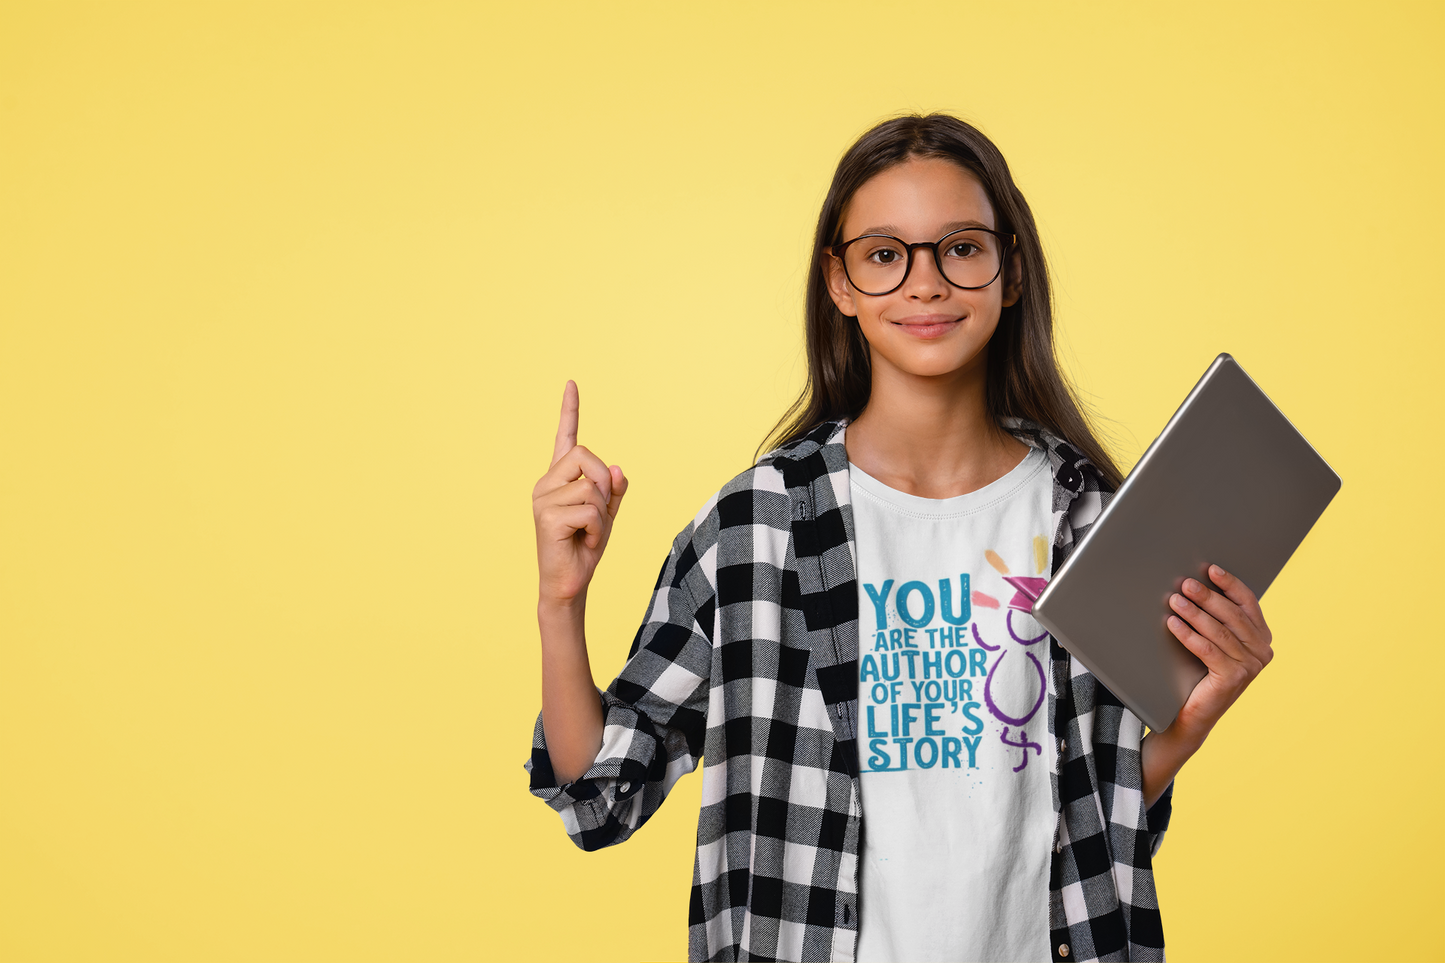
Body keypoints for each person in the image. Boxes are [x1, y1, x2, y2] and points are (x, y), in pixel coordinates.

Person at [526, 114, 1274, 963]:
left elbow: (1084, 828)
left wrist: (1191, 723)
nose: (925, 284)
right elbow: (598, 795)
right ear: (838, 283)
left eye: (959, 247)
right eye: (885, 254)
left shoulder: (1095, 523)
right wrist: (562, 600)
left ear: (1010, 270)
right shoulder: (753, 528)